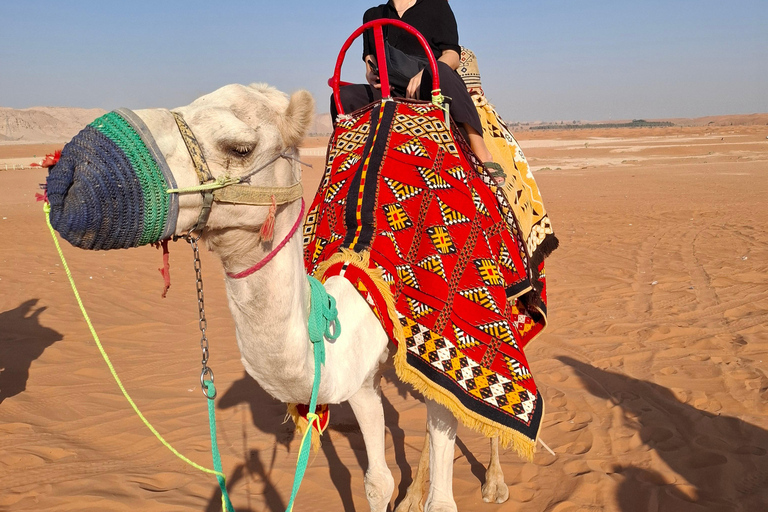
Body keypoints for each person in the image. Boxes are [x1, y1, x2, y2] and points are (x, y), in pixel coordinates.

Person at [331, 0, 504, 179]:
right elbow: (369, 59)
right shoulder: (373, 15)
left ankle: (482, 154)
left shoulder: (436, 5)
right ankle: (347, 165)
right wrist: (370, 73)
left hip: (432, 84)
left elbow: (452, 55)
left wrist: (427, 71)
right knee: (344, 95)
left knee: (442, 71)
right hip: (390, 91)